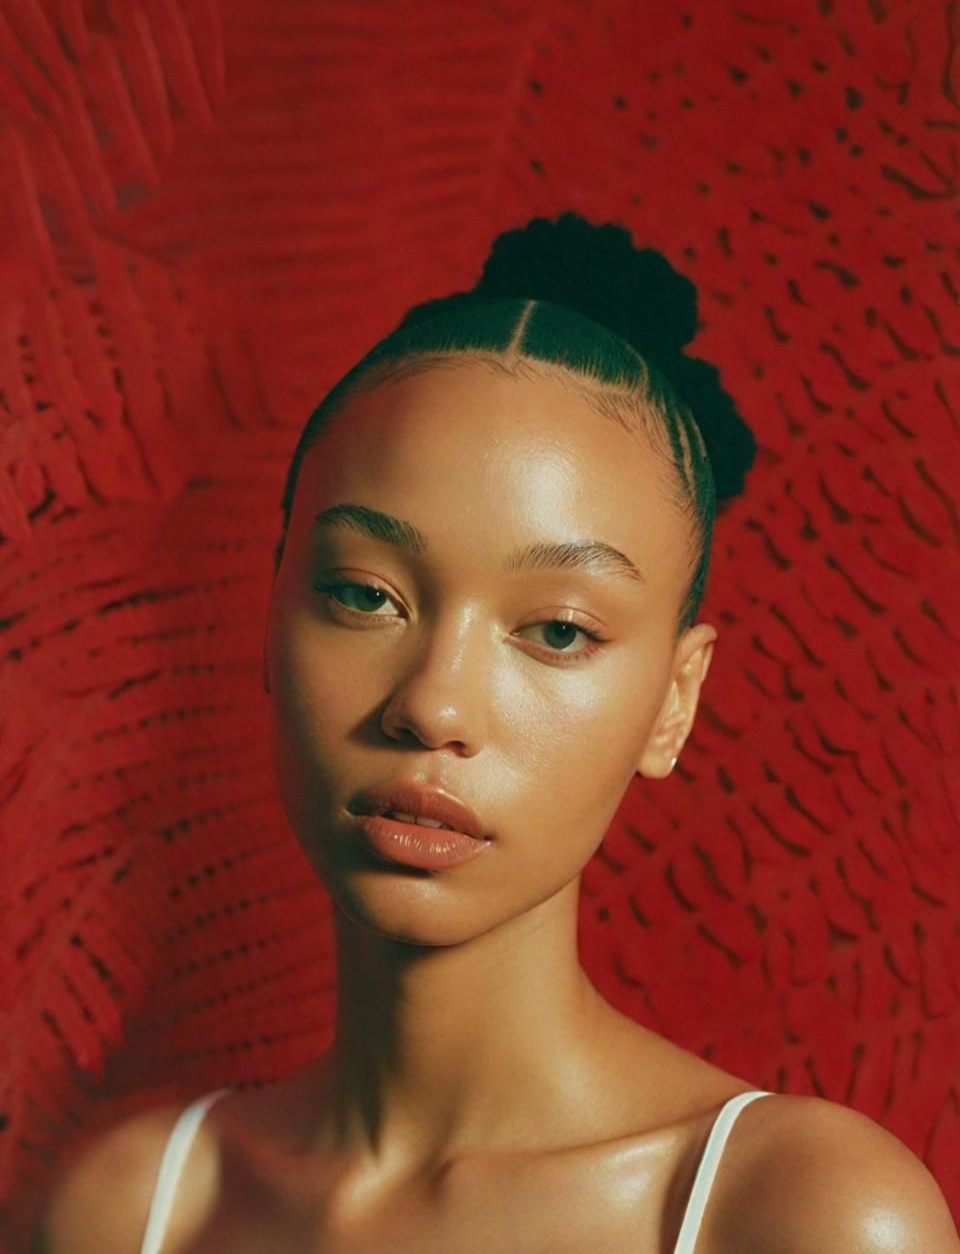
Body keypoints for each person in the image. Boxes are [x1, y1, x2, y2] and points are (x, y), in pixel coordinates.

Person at [36, 213, 959, 1252]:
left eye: (557, 629)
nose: (432, 704)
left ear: (675, 700)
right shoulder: (129, 1211)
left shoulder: (796, 1215)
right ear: (271, 612)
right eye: (364, 595)